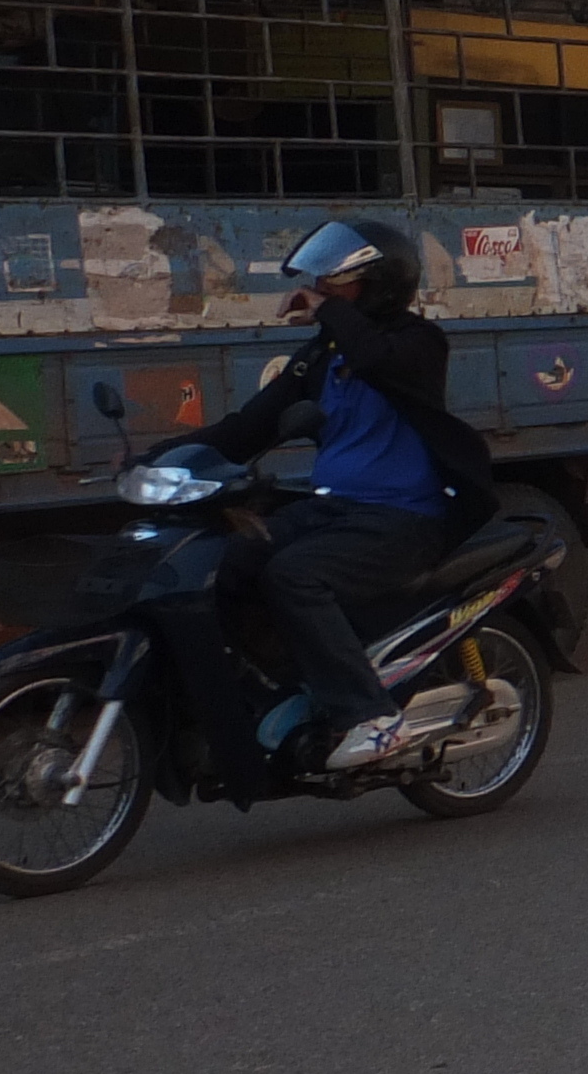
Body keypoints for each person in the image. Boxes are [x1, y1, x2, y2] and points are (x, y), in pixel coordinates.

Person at [207, 221, 500, 769]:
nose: (320, 290)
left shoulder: (417, 343)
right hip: (334, 510)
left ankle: (372, 717)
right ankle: (278, 688)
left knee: (296, 574)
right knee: (230, 558)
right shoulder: (320, 358)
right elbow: (248, 428)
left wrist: (323, 312)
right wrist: (157, 457)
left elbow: (376, 359)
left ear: (377, 284)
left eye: (334, 283)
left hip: (404, 519)